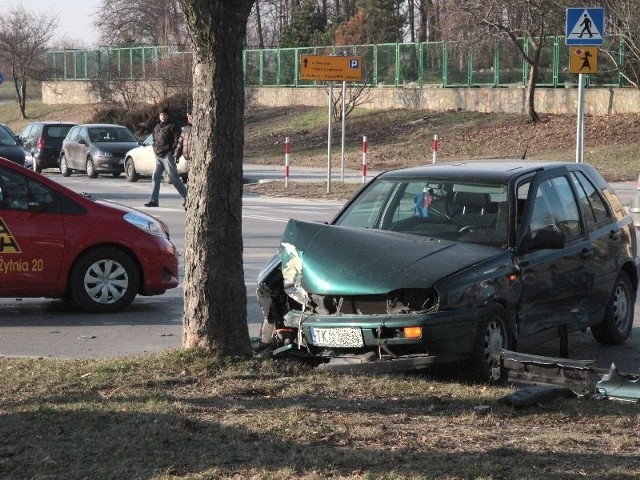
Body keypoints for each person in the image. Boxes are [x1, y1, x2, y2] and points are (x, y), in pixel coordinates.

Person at [144, 107, 187, 208]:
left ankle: (187, 198)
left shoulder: (173, 126)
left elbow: (177, 140)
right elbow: (154, 138)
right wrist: (154, 147)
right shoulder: (157, 126)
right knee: (155, 177)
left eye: (164, 115)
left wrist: (171, 151)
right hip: (158, 155)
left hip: (167, 155)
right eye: (161, 115)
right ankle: (153, 200)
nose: (162, 117)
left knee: (174, 178)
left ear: (168, 116)